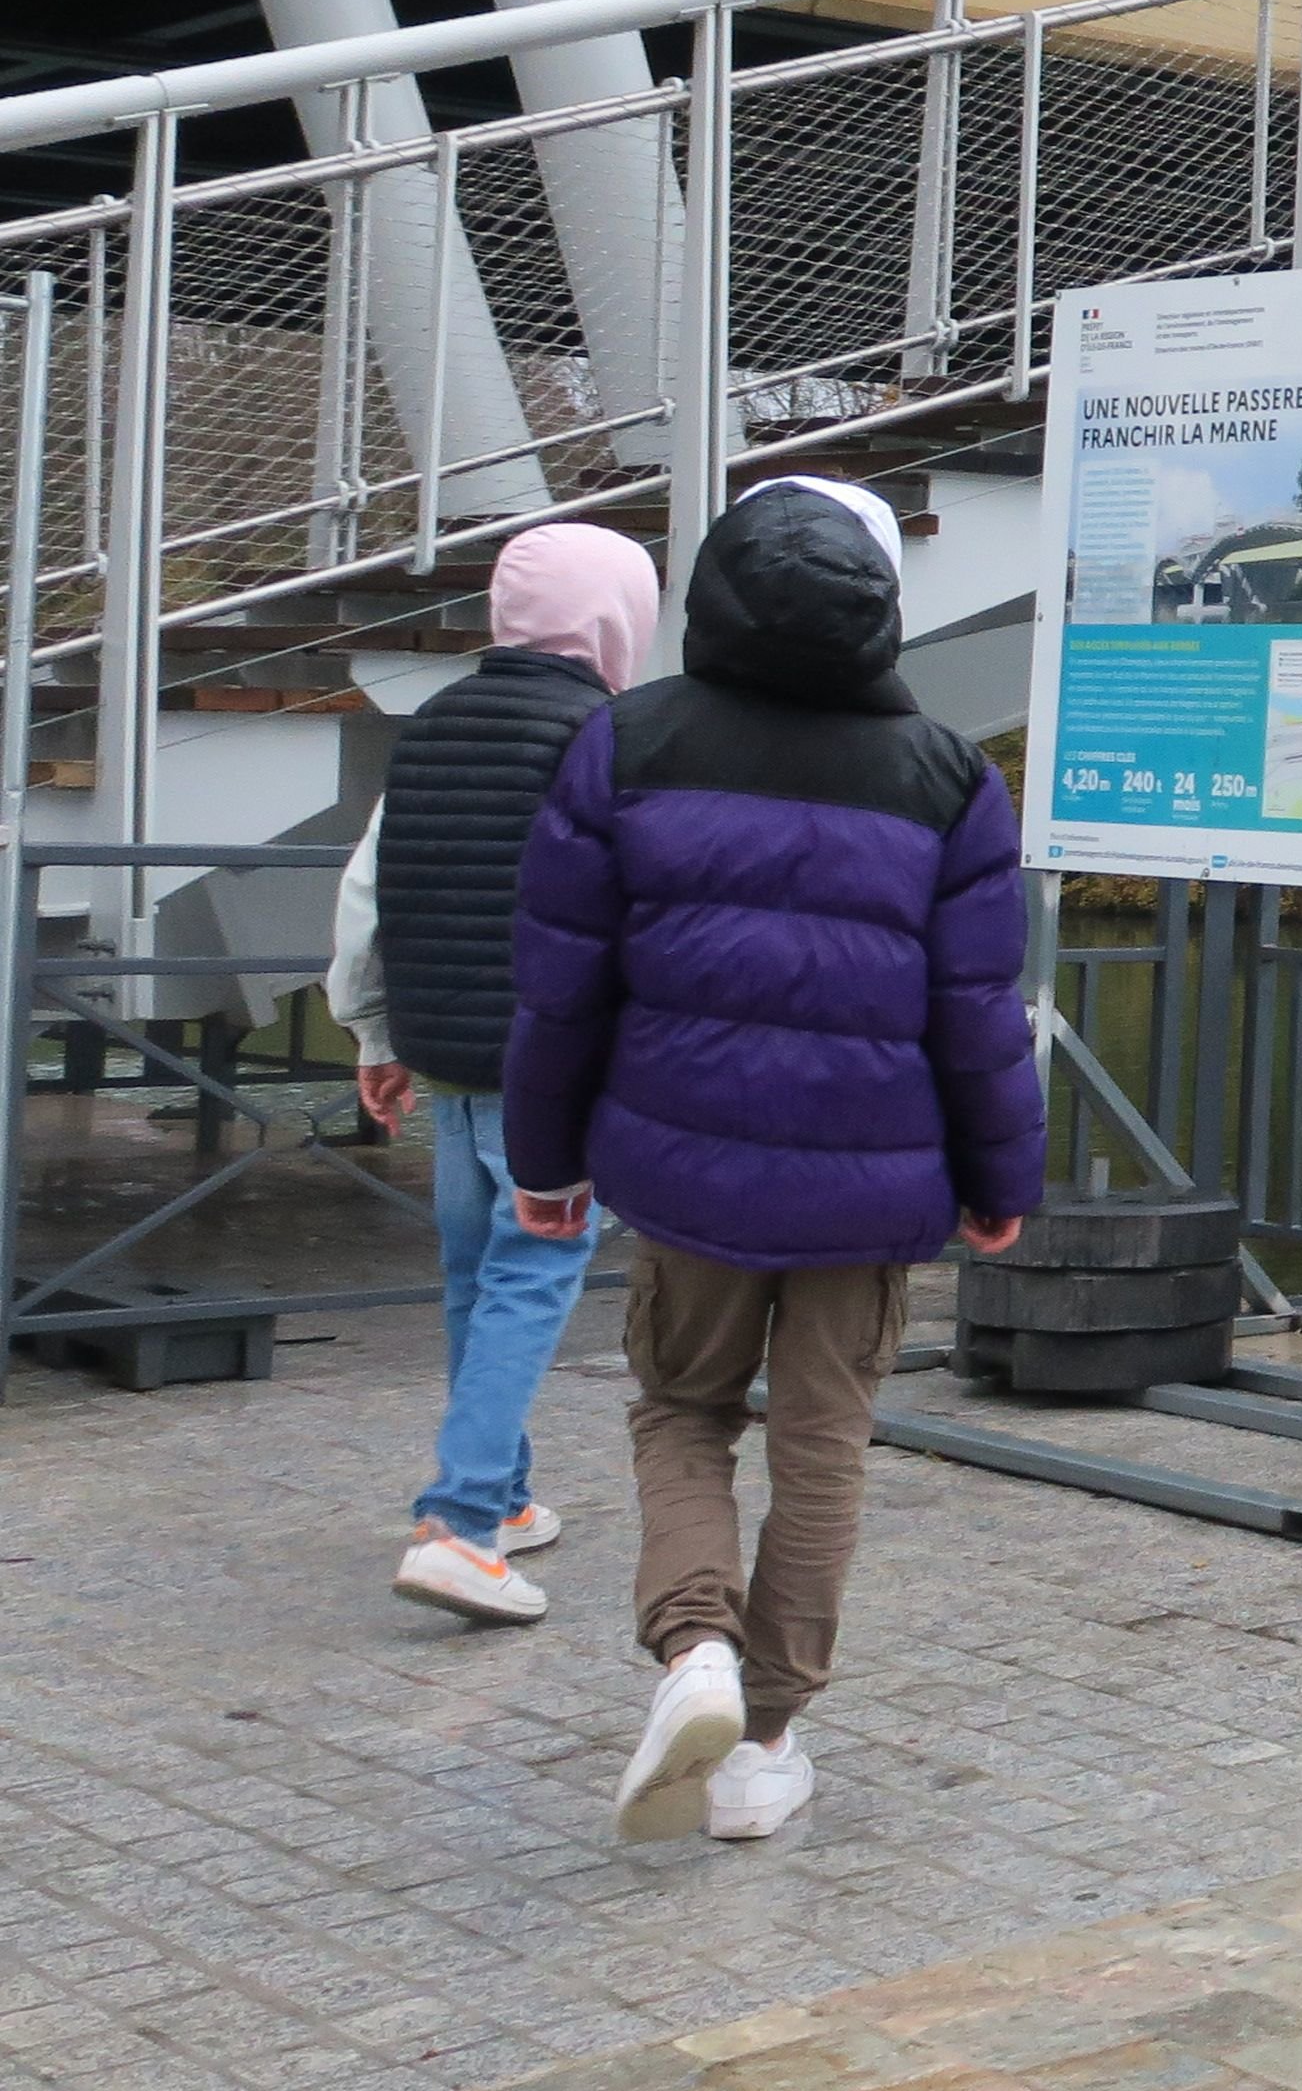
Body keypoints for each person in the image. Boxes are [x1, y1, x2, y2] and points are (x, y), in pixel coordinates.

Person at [506, 475, 1044, 1845]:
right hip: (872, 1187)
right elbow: (976, 1016)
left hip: (683, 1173)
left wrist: (546, 1159)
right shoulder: (947, 776)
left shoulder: (625, 746)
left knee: (682, 1410)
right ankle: (767, 1743)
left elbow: (562, 989)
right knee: (825, 1446)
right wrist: (1001, 1183)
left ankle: (695, 1649)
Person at [330, 524, 663, 1627]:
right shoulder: (604, 737)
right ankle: (461, 1523)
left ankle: (508, 1499)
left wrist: (374, 1036)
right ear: (621, 618)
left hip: (447, 1048)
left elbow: (370, 891)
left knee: (476, 1274)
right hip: (551, 1063)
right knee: (534, 1273)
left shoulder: (425, 730)